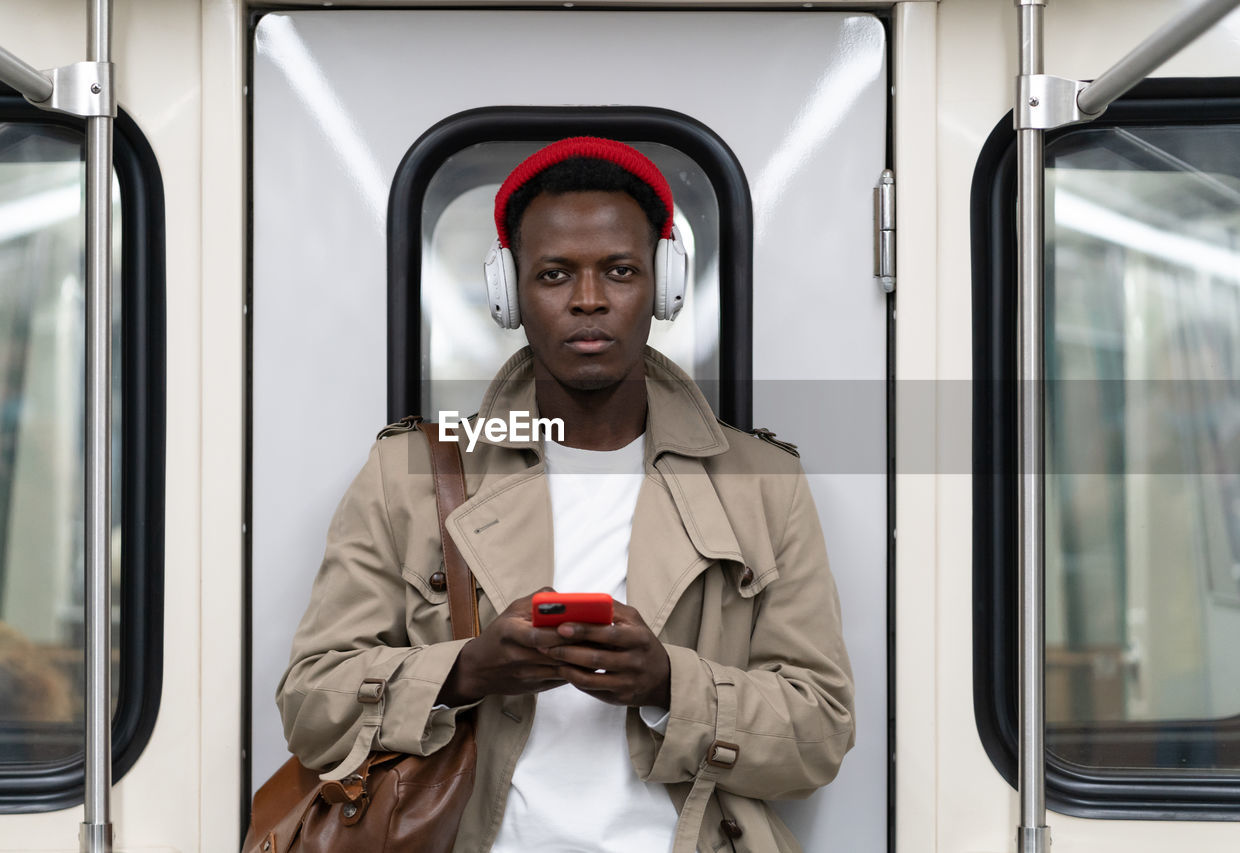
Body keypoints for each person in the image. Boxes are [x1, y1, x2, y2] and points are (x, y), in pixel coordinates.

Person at [278, 137, 854, 852]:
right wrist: (466, 670)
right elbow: (310, 701)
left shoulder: (763, 485)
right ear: (509, 292)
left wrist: (669, 683)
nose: (589, 300)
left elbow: (822, 730)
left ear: (664, 285)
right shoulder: (409, 475)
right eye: (555, 274)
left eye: (619, 271)